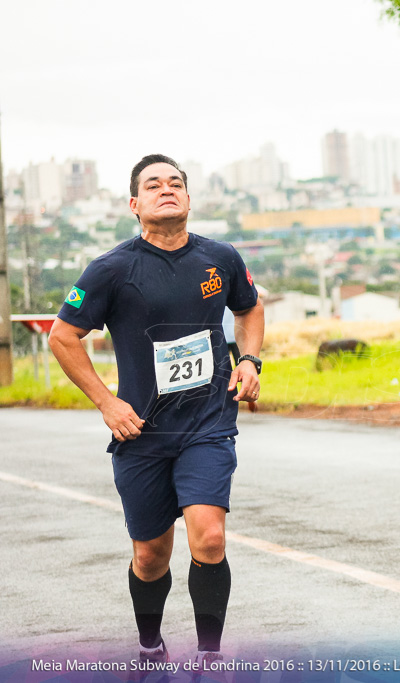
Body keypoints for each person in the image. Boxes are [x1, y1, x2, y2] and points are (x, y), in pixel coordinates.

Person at [48, 154, 265, 667]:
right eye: (153, 185)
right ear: (135, 205)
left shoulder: (221, 258)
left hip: (208, 424)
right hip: (140, 432)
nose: (166, 190)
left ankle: (210, 658)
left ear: (188, 199)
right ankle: (151, 644)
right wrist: (108, 402)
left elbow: (249, 307)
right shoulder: (112, 269)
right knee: (151, 556)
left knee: (209, 538)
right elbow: (63, 337)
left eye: (175, 184)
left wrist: (250, 359)